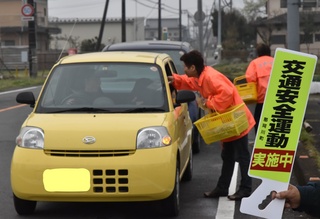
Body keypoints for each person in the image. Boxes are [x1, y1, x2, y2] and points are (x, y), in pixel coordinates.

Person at [167, 50, 256, 201]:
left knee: (242, 156)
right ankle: (222, 188)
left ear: (193, 68)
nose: (184, 70)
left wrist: (208, 103)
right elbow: (188, 82)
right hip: (229, 121)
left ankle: (245, 189)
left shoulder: (210, 77)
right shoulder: (201, 76)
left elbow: (226, 93)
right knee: (228, 155)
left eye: (186, 67)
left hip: (237, 120)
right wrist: (174, 80)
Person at [245, 43, 274, 133]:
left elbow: (250, 79)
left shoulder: (255, 63)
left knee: (259, 122)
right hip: (277, 97)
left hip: (262, 98)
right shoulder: (276, 61)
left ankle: (260, 143)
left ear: (258, 53)